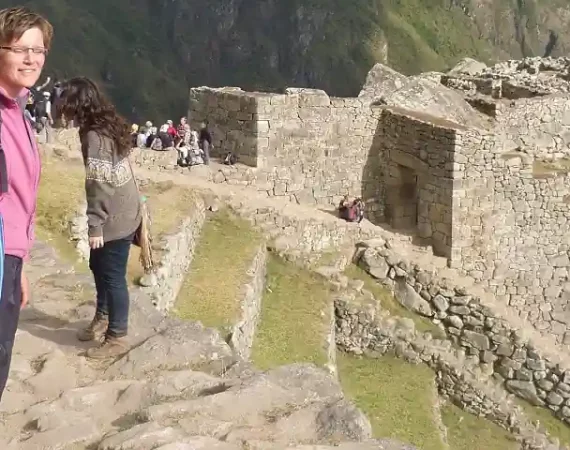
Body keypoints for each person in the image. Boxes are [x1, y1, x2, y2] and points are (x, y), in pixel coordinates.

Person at [57, 77, 142, 359]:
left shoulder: (95, 136)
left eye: (67, 106)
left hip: (115, 216)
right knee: (98, 264)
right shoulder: (106, 123)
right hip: (125, 207)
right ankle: (103, 316)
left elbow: (99, 182)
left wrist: (95, 224)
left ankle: (117, 336)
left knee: (113, 274)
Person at [0, 6, 53, 400]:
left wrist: (17, 265)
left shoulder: (18, 110)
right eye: (20, 49)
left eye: (39, 50)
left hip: (7, 257)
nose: (31, 59)